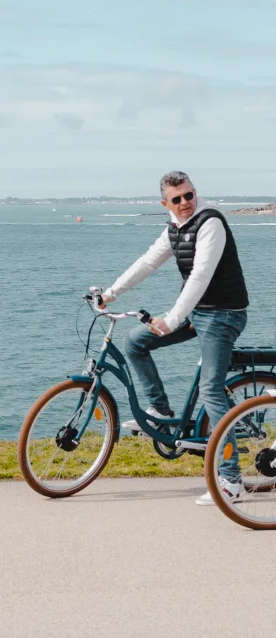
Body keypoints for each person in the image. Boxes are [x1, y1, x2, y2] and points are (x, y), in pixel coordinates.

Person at [100, 171, 249, 506]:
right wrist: (110, 294)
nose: (185, 203)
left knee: (211, 388)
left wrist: (172, 319)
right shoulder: (175, 228)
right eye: (177, 199)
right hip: (197, 313)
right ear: (165, 203)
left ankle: (231, 480)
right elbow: (147, 263)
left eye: (189, 195)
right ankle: (161, 412)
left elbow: (200, 276)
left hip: (223, 314)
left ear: (195, 194)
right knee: (136, 342)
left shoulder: (210, 223)